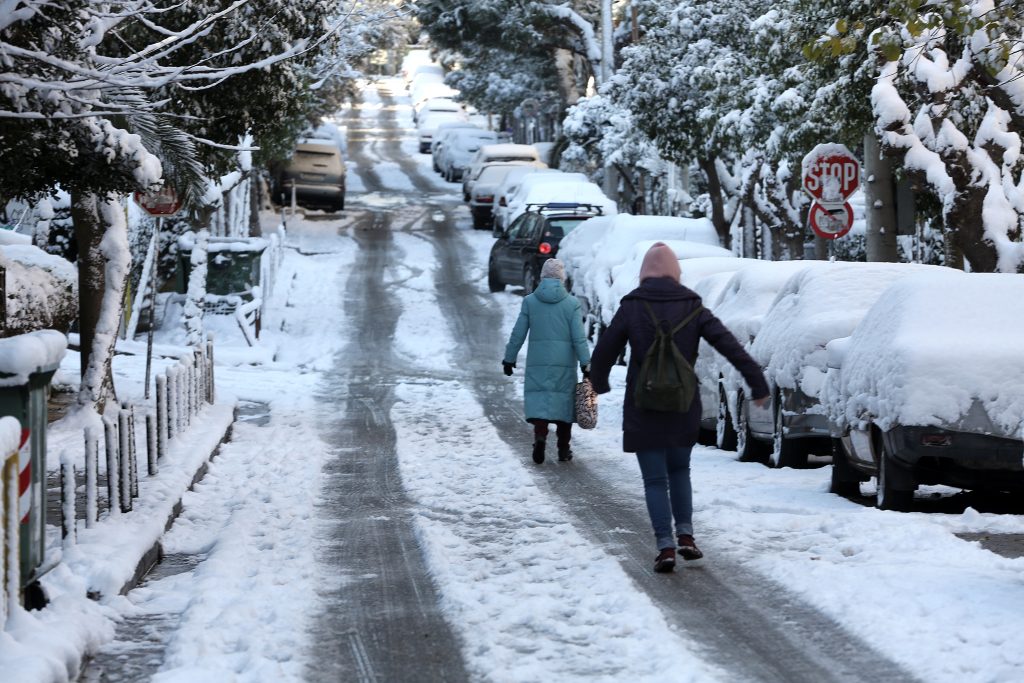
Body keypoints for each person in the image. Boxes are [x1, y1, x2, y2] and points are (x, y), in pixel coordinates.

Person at [589, 243, 769, 573]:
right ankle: (686, 535)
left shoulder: (632, 306)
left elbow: (604, 350)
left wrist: (599, 384)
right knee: (679, 470)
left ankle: (665, 546)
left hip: (644, 404)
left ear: (644, 272)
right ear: (675, 272)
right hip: (683, 405)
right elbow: (730, 345)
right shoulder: (692, 306)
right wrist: (757, 383)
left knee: (655, 480)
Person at [503, 258, 591, 464]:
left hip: (538, 363)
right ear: (562, 278)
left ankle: (540, 437)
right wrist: (586, 364)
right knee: (564, 406)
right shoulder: (571, 304)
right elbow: (579, 338)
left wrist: (509, 358)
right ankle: (563, 449)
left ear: (542, 277)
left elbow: (518, 333)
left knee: (541, 403)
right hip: (564, 364)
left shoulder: (530, 302)